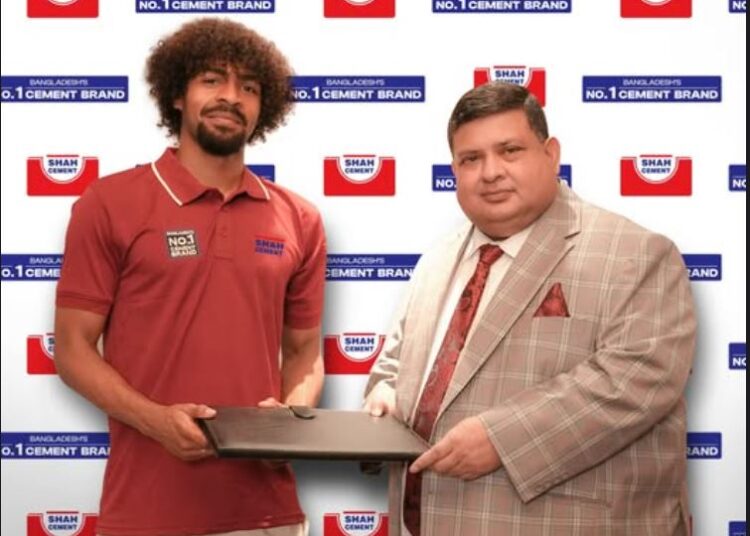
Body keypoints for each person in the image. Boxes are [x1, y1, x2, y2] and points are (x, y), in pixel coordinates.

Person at [364, 81, 696, 535]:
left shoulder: (635, 253)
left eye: (510, 150)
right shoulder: (437, 260)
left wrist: (501, 439)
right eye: (471, 159)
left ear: (551, 154)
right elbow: (395, 363)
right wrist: (386, 396)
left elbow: (638, 377)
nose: (491, 172)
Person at [54, 18, 326, 536]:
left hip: (269, 515)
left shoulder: (300, 219)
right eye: (211, 80)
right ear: (177, 94)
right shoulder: (109, 203)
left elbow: (304, 353)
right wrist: (154, 420)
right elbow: (72, 350)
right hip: (147, 512)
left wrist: (289, 423)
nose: (231, 97)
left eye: (249, 87)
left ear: (264, 108)